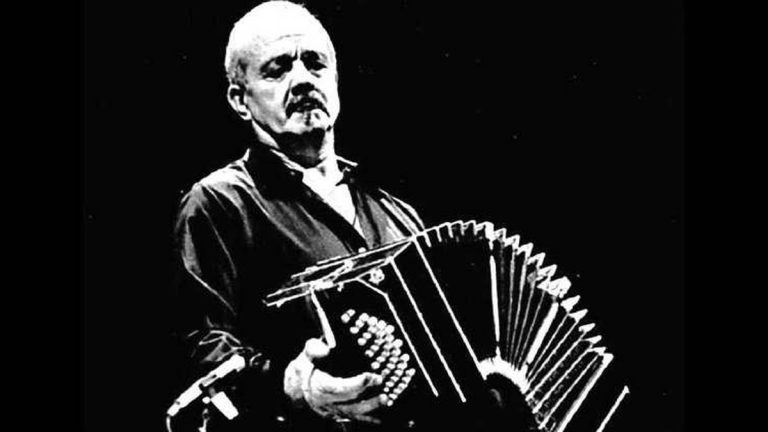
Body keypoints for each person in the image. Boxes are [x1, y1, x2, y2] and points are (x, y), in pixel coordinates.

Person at [171, 2, 425, 431]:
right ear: (240, 99)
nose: (303, 79)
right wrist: (292, 387)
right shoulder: (219, 203)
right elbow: (201, 346)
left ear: (335, 81)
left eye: (315, 64)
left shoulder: (397, 214)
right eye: (277, 70)